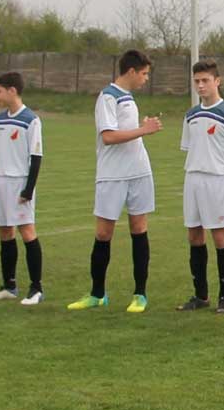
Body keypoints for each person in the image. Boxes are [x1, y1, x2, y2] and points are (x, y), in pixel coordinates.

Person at [66, 50, 162, 313]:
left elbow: (126, 131)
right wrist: (144, 130)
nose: (146, 79)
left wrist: (140, 127)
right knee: (103, 233)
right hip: (112, 174)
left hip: (138, 172)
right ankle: (97, 294)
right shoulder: (108, 96)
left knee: (139, 229)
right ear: (131, 71)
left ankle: (140, 294)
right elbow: (108, 136)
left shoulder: (128, 97)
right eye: (144, 73)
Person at [176, 59, 224, 315]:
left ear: (217, 81)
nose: (200, 85)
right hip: (193, 178)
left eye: (205, 80)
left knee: (220, 237)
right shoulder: (191, 115)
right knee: (194, 236)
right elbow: (189, 148)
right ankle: (201, 295)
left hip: (218, 180)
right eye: (197, 81)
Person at [0, 72, 45, 306]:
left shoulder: (31, 120)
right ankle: (9, 286)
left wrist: (28, 189)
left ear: (12, 91)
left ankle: (36, 288)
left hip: (19, 182)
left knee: (27, 231)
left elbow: (36, 157)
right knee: (5, 232)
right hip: (0, 181)